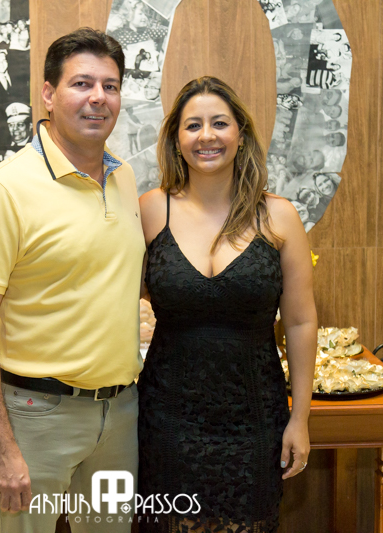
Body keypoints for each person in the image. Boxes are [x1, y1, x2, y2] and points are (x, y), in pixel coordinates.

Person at [0, 27, 143, 532]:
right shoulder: (3, 190)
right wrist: (1, 445)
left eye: (110, 86)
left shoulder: (124, 178)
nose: (98, 97)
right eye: (82, 83)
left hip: (119, 416)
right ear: (48, 94)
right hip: (38, 416)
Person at [137, 76, 316, 532]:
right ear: (176, 139)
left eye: (219, 123)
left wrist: (300, 418)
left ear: (241, 133)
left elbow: (299, 322)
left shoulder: (279, 216)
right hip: (167, 415)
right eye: (192, 125)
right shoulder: (151, 210)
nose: (207, 136)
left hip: (254, 416)